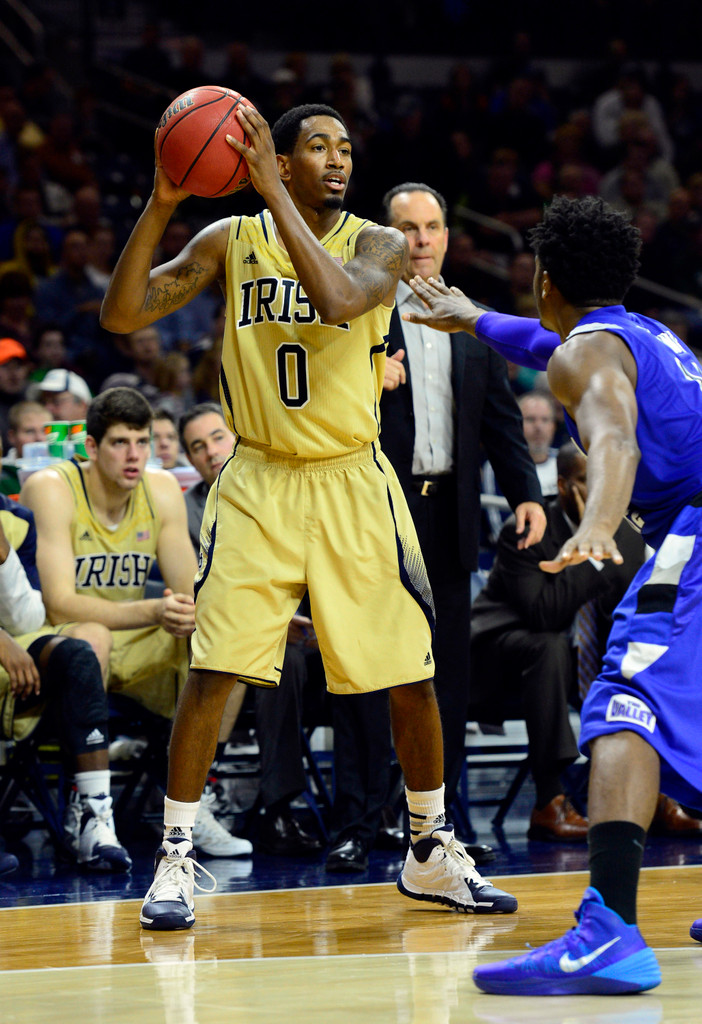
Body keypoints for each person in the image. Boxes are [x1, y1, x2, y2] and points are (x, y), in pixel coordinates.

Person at [100, 101, 521, 931]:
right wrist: (161, 202)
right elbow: (122, 315)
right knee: (215, 671)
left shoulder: (380, 243)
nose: (337, 159)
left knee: (411, 674)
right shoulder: (230, 242)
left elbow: (335, 301)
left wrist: (269, 191)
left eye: (345, 148)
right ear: (280, 161)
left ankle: (429, 848)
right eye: (316, 147)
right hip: (258, 479)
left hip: (350, 478)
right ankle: (176, 858)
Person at [402, 193, 702, 995]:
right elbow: (538, 340)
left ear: (544, 278)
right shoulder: (646, 334)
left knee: (621, 704)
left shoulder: (589, 359)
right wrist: (470, 317)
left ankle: (608, 933)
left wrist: (600, 520)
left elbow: (613, 437)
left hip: (692, 537)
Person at [370, 182, 546, 856]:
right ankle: (369, 816)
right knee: (377, 664)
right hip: (383, 508)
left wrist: (526, 493)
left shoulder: (476, 321)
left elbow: (502, 424)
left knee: (451, 670)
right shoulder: (362, 314)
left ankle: (446, 821)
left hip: (452, 508)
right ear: (384, 237)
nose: (420, 239)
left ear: (447, 236)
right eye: (407, 227)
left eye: (432, 226)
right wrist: (365, 373)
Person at [19, 386, 252, 860]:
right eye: (120, 443)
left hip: (137, 644)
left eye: (142, 443)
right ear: (91, 447)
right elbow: (61, 604)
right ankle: (87, 806)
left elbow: (189, 588)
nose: (134, 455)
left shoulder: (160, 487)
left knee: (226, 636)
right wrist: (150, 611)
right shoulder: (52, 486)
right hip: (59, 645)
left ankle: (196, 796)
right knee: (91, 635)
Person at [472, 440, 646, 841]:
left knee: (642, 655)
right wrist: (596, 555)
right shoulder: (529, 529)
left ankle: (658, 793)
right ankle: (549, 801)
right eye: (591, 481)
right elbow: (543, 612)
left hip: (576, 667)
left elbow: (628, 612)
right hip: (499, 661)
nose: (604, 492)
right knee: (548, 645)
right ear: (565, 484)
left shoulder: (628, 536)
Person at [179, 402, 324, 857]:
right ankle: (280, 807)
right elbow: (198, 595)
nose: (209, 452)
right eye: (196, 447)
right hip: (237, 640)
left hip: (308, 630)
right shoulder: (185, 513)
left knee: (377, 653)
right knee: (278, 659)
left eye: (216, 437)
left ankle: (378, 810)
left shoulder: (283, 487)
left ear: (238, 434)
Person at [0, 484, 131, 872]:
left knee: (76, 655)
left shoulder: (17, 521)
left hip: (12, 652)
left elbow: (24, 620)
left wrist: (4, 556)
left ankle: (93, 819)